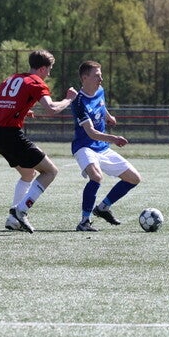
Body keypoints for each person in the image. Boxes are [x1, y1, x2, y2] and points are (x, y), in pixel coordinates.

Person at [0, 49, 78, 233]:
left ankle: (13, 220)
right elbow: (51, 109)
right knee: (50, 171)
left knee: (28, 174)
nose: (49, 74)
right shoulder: (36, 82)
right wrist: (68, 100)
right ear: (43, 69)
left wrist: (19, 110)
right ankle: (20, 210)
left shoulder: (11, 79)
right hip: (12, 136)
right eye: (49, 70)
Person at [70, 60, 142, 232]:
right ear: (84, 78)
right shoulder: (78, 103)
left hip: (102, 147)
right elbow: (91, 133)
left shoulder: (100, 90)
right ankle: (84, 221)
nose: (101, 79)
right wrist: (114, 138)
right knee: (96, 177)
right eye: (97, 76)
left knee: (134, 178)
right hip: (84, 147)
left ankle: (103, 208)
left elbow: (101, 105)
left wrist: (108, 116)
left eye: (101, 75)